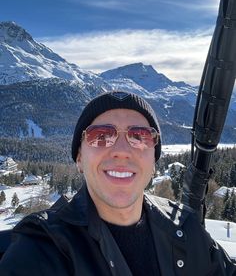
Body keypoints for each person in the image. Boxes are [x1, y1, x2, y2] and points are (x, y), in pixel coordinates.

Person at [0, 90, 235, 276]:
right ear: (79, 158)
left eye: (140, 137)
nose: (122, 151)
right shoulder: (44, 247)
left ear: (154, 161)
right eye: (101, 136)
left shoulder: (184, 226)